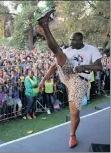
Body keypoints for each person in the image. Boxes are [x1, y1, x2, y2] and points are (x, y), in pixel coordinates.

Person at [37, 9, 103, 148]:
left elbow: (99, 67)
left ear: (81, 40)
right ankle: (44, 25)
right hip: (67, 74)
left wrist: (83, 66)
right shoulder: (68, 50)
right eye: (70, 39)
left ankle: (72, 135)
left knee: (74, 113)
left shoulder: (91, 49)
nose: (71, 42)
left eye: (74, 40)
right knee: (59, 52)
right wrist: (43, 80)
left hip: (80, 80)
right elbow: (54, 67)